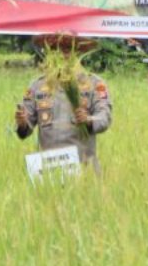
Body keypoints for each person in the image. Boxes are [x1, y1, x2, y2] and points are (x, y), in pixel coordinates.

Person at [14, 32, 112, 171]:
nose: (62, 54)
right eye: (56, 49)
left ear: (77, 52)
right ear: (50, 53)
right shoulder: (37, 86)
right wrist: (22, 122)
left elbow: (105, 118)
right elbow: (25, 128)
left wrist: (88, 120)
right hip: (49, 169)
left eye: (67, 49)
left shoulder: (94, 84)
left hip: (84, 166)